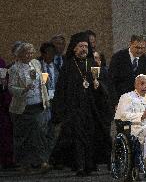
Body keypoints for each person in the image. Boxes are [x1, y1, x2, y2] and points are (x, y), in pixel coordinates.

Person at [51, 32, 112, 176]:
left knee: (90, 137)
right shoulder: (67, 66)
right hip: (74, 109)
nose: (84, 49)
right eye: (81, 46)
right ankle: (79, 166)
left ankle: (89, 164)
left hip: (90, 108)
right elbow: (61, 90)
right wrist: (60, 111)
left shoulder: (92, 64)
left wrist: (98, 85)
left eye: (86, 46)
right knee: (77, 137)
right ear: (74, 48)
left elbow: (104, 86)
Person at [8, 42, 50, 173]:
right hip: (22, 107)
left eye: (31, 53)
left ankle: (43, 161)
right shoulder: (14, 69)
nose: (30, 55)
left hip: (38, 103)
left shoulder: (36, 64)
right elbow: (11, 88)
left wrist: (44, 83)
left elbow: (41, 78)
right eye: (27, 53)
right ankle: (24, 163)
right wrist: (23, 89)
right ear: (20, 54)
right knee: (23, 136)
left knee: (39, 132)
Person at [109, 34, 146, 106]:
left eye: (142, 48)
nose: (139, 50)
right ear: (131, 44)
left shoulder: (145, 59)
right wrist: (115, 103)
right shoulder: (118, 57)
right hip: (122, 101)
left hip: (139, 102)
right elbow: (111, 82)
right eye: (137, 47)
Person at [0, 57, 14, 169]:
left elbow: (4, 83)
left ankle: (6, 160)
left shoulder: (1, 63)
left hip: (3, 103)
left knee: (5, 132)